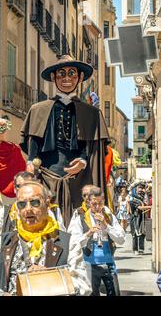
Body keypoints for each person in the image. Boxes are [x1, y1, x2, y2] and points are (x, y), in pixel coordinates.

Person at [20, 55, 110, 227]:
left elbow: (92, 148)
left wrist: (83, 162)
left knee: (80, 227)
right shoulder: (38, 110)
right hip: (47, 177)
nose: (67, 78)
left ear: (80, 77)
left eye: (72, 73)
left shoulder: (91, 113)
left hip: (80, 179)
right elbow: (33, 144)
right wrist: (31, 163)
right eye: (62, 74)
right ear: (54, 77)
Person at [0, 181, 91, 296]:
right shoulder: (3, 243)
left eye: (35, 202)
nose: (28, 209)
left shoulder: (68, 243)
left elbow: (83, 286)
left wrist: (49, 279)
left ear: (47, 204)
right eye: (22, 204)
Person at [67, 187, 125, 296]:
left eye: (100, 203)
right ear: (88, 202)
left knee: (115, 293)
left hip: (109, 263)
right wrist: (88, 234)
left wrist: (106, 226)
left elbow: (121, 239)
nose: (98, 207)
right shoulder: (80, 218)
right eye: (94, 204)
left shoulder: (109, 216)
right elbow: (74, 243)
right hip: (89, 264)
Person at [129, 183, 148, 255]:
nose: (141, 190)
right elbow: (139, 207)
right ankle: (135, 249)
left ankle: (141, 249)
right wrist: (150, 207)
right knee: (135, 234)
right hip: (135, 218)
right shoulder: (132, 198)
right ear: (136, 189)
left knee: (142, 233)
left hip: (142, 218)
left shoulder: (143, 198)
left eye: (142, 188)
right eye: (139, 188)